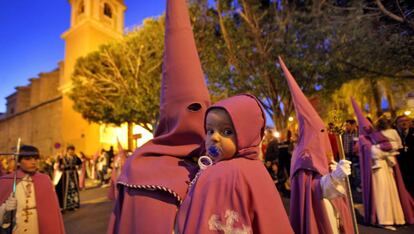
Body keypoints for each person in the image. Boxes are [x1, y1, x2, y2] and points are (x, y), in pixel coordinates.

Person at [107, 0, 211, 233]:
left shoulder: (218, 162)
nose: (200, 117)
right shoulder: (139, 167)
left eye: (205, 108)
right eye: (192, 108)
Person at [175, 94, 293, 233]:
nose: (214, 137)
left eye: (227, 131)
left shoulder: (224, 174)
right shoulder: (255, 167)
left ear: (247, 134)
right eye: (210, 130)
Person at [279, 57, 354, 234]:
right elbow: (312, 189)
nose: (323, 136)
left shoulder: (318, 151)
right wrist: (335, 176)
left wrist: (335, 169)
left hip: (333, 207)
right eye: (319, 132)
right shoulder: (304, 155)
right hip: (321, 210)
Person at [351, 99, 414, 230]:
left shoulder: (376, 136)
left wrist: (388, 149)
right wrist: (388, 150)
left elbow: (393, 146)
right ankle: (384, 218)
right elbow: (373, 153)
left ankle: (396, 217)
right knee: (382, 193)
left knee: (391, 192)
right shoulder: (364, 139)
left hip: (387, 168)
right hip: (377, 170)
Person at [0, 145, 65, 234]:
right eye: (28, 159)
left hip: (37, 227)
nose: (33, 162)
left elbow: (52, 213)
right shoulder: (7, 181)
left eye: (35, 158)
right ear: (18, 162)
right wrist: (5, 209)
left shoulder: (44, 180)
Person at [55, 145, 82, 211]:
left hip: (74, 175)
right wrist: (61, 168)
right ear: (67, 151)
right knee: (63, 190)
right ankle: (65, 205)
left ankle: (74, 204)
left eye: (72, 150)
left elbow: (80, 164)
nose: (71, 152)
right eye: (70, 150)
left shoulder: (76, 158)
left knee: (74, 190)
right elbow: (59, 167)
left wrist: (78, 168)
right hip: (66, 176)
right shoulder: (63, 158)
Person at [395, 115, 414, 197]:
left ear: (409, 122)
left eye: (406, 120)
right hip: (400, 168)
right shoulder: (394, 135)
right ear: (396, 124)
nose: (404, 123)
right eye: (401, 121)